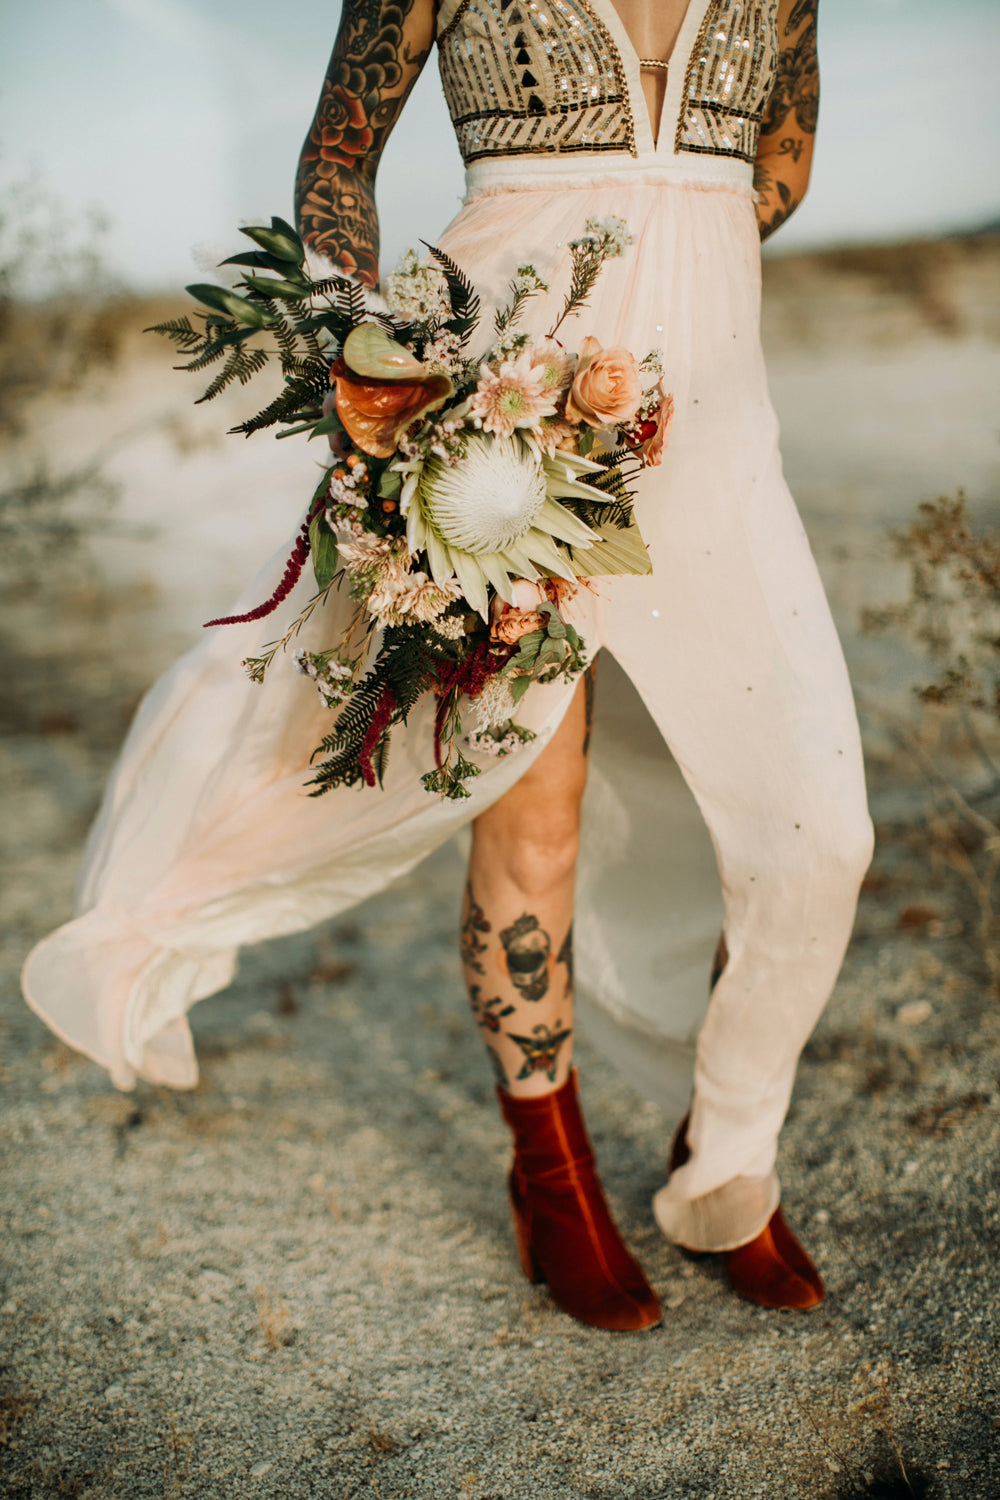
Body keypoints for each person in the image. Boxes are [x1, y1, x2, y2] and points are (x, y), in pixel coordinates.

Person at [22, 0, 874, 1333]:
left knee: (820, 832)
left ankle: (727, 1164)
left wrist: (667, 254)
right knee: (531, 806)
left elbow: (778, 161)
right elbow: (335, 161)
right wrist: (374, 368)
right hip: (494, 407)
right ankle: (556, 1182)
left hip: (710, 432)